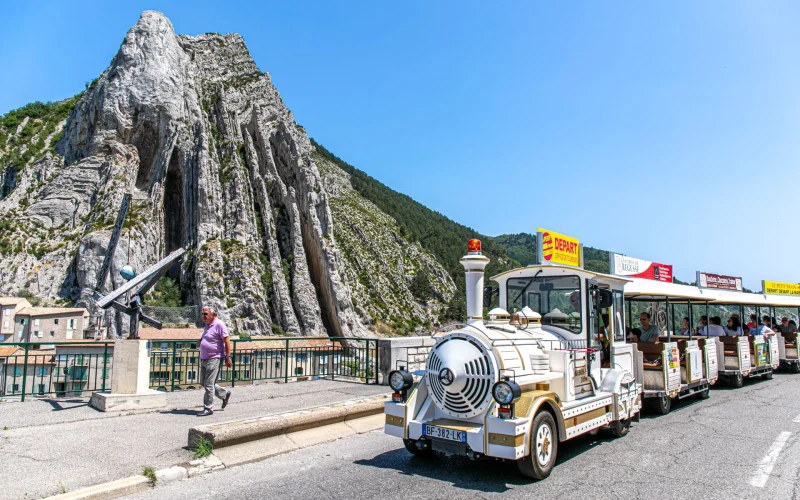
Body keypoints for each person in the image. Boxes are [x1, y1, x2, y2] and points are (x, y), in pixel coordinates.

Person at [198, 307, 233, 417]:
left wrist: (227, 357)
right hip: (204, 358)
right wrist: (201, 341)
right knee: (204, 383)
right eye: (203, 314)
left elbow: (227, 341)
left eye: (206, 314)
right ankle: (224, 393)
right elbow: (207, 337)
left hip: (215, 358)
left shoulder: (219, 324)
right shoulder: (207, 325)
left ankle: (208, 408)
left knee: (208, 384)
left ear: (213, 314)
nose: (203, 316)